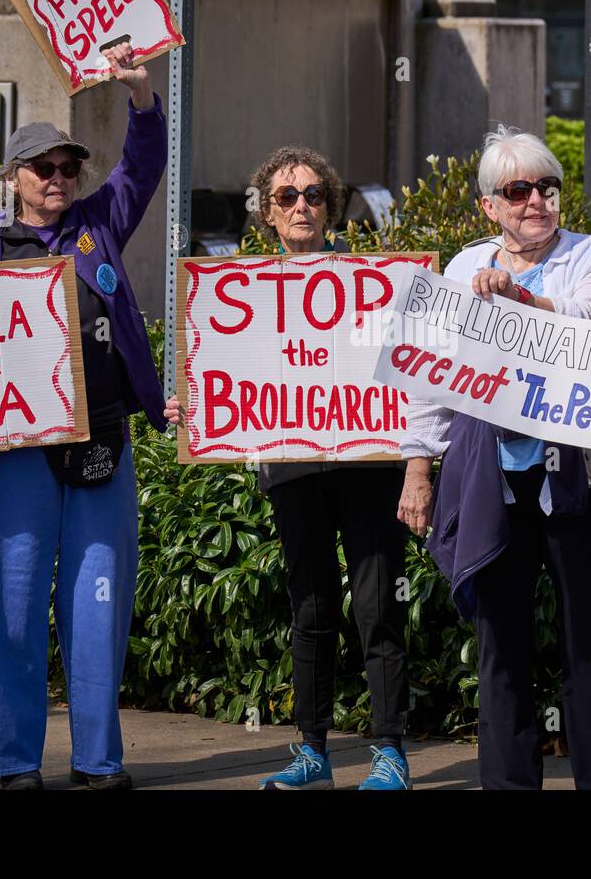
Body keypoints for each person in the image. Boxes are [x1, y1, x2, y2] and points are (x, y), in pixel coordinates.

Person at [0, 43, 167, 790]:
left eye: (68, 167)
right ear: (13, 178)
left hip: (101, 443)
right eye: (43, 168)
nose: (59, 179)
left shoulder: (100, 225)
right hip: (14, 455)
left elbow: (144, 165)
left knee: (97, 607)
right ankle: (14, 762)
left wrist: (141, 95)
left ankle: (97, 760)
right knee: (13, 606)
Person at [396, 125, 591, 790]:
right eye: (519, 189)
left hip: (580, 478)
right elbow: (432, 375)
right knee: (500, 650)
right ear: (489, 206)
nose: (537, 199)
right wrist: (418, 468)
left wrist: (521, 298)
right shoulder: (459, 268)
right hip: (495, 479)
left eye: (548, 187)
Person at [165, 145, 411, 790]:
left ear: (329, 206)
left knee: (378, 606)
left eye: (313, 195)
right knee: (310, 607)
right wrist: (194, 403)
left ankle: (389, 751)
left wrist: (417, 465)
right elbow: (226, 380)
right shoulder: (240, 293)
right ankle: (313, 751)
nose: (301, 205)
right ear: (267, 214)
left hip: (368, 465)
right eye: (286, 197)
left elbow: (409, 372)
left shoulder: (372, 282)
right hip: (293, 472)